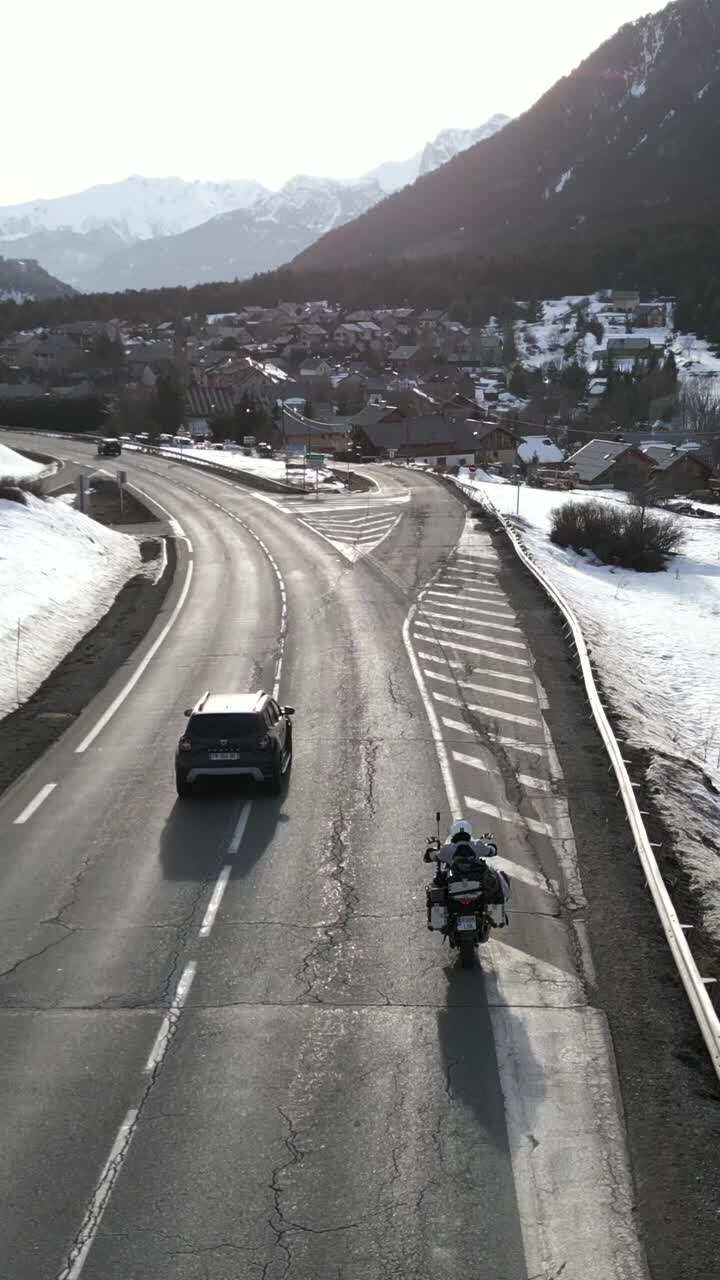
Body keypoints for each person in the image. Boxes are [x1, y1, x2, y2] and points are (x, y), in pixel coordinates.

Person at [427, 819, 510, 927]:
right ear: (469, 832)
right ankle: (496, 915)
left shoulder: (447, 849)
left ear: (453, 833)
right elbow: (491, 851)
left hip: (454, 888)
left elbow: (433, 856)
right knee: (496, 877)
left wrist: (432, 853)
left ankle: (438, 921)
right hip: (477, 888)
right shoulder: (477, 845)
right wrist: (491, 848)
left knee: (435, 886)